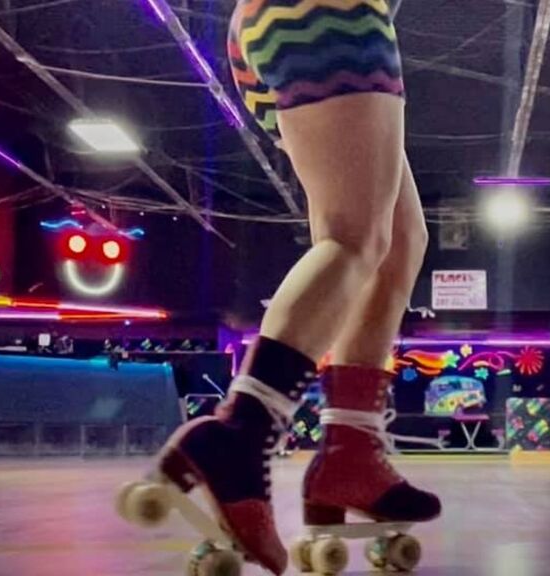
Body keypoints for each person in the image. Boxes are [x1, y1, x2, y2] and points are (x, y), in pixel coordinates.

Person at [142, 1, 440, 573]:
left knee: (399, 242)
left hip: (288, 26)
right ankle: (241, 431)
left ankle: (352, 449)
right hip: (331, 17)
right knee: (353, 239)